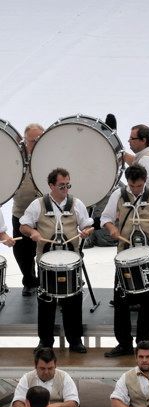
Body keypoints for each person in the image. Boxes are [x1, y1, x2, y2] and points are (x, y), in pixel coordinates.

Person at [100, 164, 149, 357]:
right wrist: (112, 229)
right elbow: (105, 218)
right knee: (121, 299)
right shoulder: (118, 195)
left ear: (144, 181)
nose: (135, 190)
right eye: (132, 186)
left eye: (139, 186)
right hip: (126, 254)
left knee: (148, 301)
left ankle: (143, 345)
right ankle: (123, 343)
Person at [19, 168, 95, 353]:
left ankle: (75, 340)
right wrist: (33, 232)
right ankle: (45, 341)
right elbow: (23, 226)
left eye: (68, 185)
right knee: (46, 301)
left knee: (73, 300)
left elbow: (88, 225)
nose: (65, 189)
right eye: (61, 185)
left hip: (71, 263)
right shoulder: (38, 205)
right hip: (46, 263)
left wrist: (86, 231)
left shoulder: (77, 204)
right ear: (51, 185)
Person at [10, 123, 44, 295]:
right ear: (24, 140)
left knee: (44, 249)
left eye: (40, 139)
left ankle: (45, 281)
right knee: (22, 252)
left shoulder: (49, 155)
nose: (36, 143)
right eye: (32, 140)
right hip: (20, 211)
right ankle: (29, 281)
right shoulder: (14, 156)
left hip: (45, 214)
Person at [12, 348, 79, 407]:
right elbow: (17, 404)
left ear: (55, 366)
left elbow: (74, 404)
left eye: (50, 368)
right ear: (35, 366)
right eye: (42, 368)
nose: (46, 372)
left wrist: (58, 406)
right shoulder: (27, 378)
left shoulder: (64, 377)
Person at [122, 124, 149, 192]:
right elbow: (137, 164)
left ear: (143, 140)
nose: (129, 141)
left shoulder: (147, 160)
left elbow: (139, 191)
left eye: (132, 138)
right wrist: (123, 156)